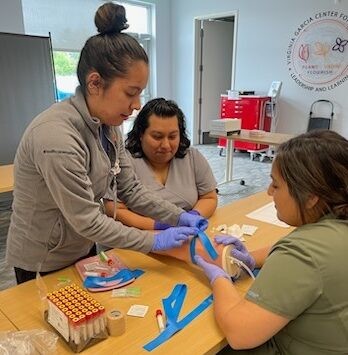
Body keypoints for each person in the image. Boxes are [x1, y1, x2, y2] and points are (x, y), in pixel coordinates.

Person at [5, 2, 207, 285]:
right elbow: (88, 219)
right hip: (44, 258)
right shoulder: (56, 138)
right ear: (95, 83)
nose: (137, 105)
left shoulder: (109, 127)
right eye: (130, 93)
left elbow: (131, 189)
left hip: (83, 243)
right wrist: (155, 239)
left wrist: (178, 217)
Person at [192, 130, 348, 353]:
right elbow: (297, 250)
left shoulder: (302, 253)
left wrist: (219, 278)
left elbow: (240, 333)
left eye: (276, 185)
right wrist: (249, 258)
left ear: (311, 197)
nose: (268, 192)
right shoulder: (334, 224)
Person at [104, 98, 217, 230]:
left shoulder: (192, 157)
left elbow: (209, 197)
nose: (166, 145)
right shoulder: (124, 162)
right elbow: (115, 209)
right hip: (140, 236)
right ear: (141, 134)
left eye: (172, 136)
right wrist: (160, 226)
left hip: (188, 233)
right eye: (157, 137)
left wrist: (193, 217)